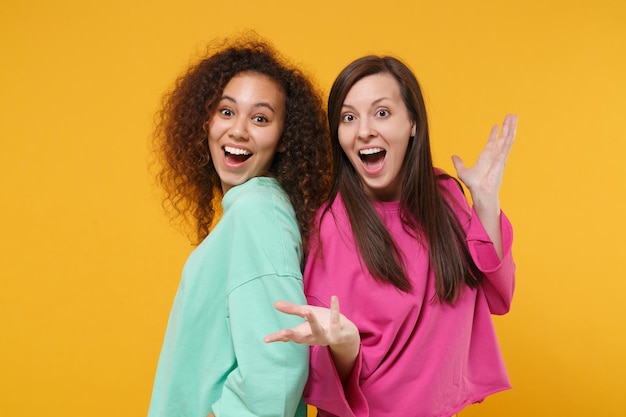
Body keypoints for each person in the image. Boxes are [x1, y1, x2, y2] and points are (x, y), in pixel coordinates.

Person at [265, 55, 518, 417]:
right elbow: (325, 364)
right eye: (349, 117)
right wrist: (344, 344)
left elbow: (499, 294)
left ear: (413, 122)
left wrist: (485, 201)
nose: (364, 130)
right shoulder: (330, 225)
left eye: (381, 113)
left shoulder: (444, 197)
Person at [147, 34, 332, 417]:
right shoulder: (250, 210)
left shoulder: (258, 211)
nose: (238, 131)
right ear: (206, 120)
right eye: (226, 111)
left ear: (284, 139)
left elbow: (277, 365)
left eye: (260, 118)